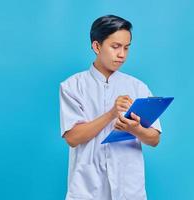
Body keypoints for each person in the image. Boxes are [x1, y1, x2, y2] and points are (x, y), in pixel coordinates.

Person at [59, 14, 162, 200]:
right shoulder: (72, 86)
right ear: (97, 46)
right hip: (86, 187)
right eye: (115, 47)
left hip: (129, 188)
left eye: (126, 48)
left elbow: (154, 139)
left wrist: (136, 129)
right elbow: (73, 137)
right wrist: (111, 114)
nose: (122, 54)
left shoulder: (138, 87)